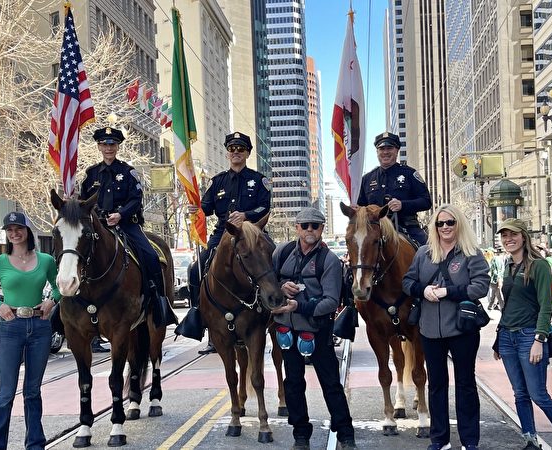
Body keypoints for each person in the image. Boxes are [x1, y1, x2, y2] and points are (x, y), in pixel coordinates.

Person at [402, 204, 490, 450]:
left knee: (465, 384)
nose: (445, 228)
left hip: (462, 328)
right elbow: (408, 282)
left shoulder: (471, 252)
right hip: (430, 329)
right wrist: (424, 290)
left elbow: (481, 285)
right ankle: (439, 439)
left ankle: (469, 440)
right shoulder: (423, 253)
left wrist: (448, 292)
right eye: (440, 224)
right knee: (437, 385)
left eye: (450, 222)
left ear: (458, 223)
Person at [80, 126, 177, 346]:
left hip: (127, 226)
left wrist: (120, 214)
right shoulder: (90, 174)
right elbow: (84, 201)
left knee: (151, 258)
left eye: (112, 144)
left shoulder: (128, 172)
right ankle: (69, 308)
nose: (108, 148)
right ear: (99, 147)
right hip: (98, 227)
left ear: (117, 146)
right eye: (104, 144)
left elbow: (136, 199)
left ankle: (158, 303)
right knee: (75, 256)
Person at [176, 131, 271, 354]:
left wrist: (246, 216)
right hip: (223, 234)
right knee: (195, 270)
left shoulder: (258, 180)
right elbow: (206, 208)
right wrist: (196, 209)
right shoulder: (218, 181)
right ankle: (201, 318)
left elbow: (265, 207)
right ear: (227, 153)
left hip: (252, 233)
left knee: (272, 261)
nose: (235, 153)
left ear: (247, 153)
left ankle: (273, 310)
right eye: (232, 149)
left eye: (240, 149)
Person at [272, 207, 356, 450]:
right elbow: (267, 282)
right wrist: (281, 286)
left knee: (330, 382)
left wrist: (299, 306)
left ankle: (346, 434)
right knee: (293, 384)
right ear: (297, 227)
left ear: (321, 229)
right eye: (305, 225)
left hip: (316, 331)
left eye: (315, 225)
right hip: (286, 332)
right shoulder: (282, 252)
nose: (310, 229)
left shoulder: (328, 260)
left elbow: (331, 301)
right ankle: (301, 435)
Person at [0, 211, 61, 450]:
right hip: (10, 327)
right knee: (5, 394)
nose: (14, 233)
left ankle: (35, 444)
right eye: (10, 230)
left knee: (32, 391)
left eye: (19, 228)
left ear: (27, 231)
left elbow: (60, 287)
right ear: (6, 234)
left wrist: (51, 300)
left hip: (39, 327)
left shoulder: (46, 260)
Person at [494, 218, 552, 450]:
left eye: (513, 235)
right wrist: (498, 339)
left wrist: (539, 339)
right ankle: (530, 439)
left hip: (530, 336)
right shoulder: (507, 265)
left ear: (524, 236)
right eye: (505, 236)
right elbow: (508, 305)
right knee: (520, 394)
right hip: (507, 336)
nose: (509, 239)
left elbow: (546, 306)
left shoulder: (539, 265)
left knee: (538, 393)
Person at [357, 131, 432, 245]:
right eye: (382, 149)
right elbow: (360, 207)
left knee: (429, 252)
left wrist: (403, 204)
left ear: (397, 151)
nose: (385, 152)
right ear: (377, 152)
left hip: (407, 228)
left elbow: (426, 201)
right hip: (375, 231)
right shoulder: (366, 179)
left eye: (389, 148)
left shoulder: (409, 174)